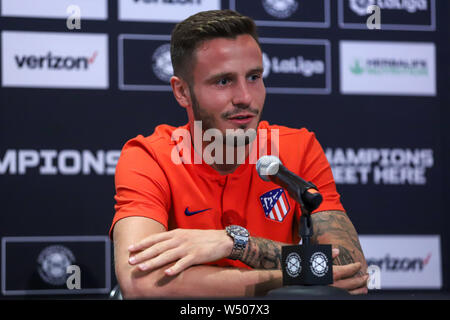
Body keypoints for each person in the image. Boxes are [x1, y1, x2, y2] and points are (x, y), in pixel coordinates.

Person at [110, 9, 368, 298]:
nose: (245, 97)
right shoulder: (149, 156)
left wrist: (236, 244)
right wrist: (292, 278)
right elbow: (140, 282)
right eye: (224, 81)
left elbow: (351, 268)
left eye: (254, 77)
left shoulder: (298, 148)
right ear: (182, 92)